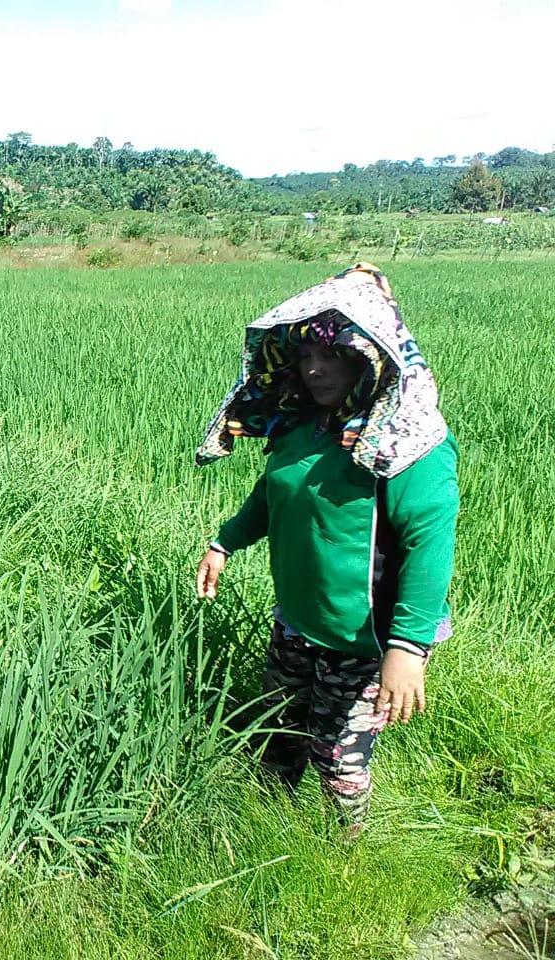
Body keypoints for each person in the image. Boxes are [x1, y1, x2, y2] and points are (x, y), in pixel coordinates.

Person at [193, 263, 459, 832]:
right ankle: (266, 825)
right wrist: (225, 542)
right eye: (306, 356)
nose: (314, 369)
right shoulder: (303, 424)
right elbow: (274, 494)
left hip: (366, 635)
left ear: (370, 357)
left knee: (338, 762)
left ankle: (345, 857)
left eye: (333, 355)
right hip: (299, 618)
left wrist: (407, 649)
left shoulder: (411, 442)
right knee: (277, 729)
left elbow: (429, 545)